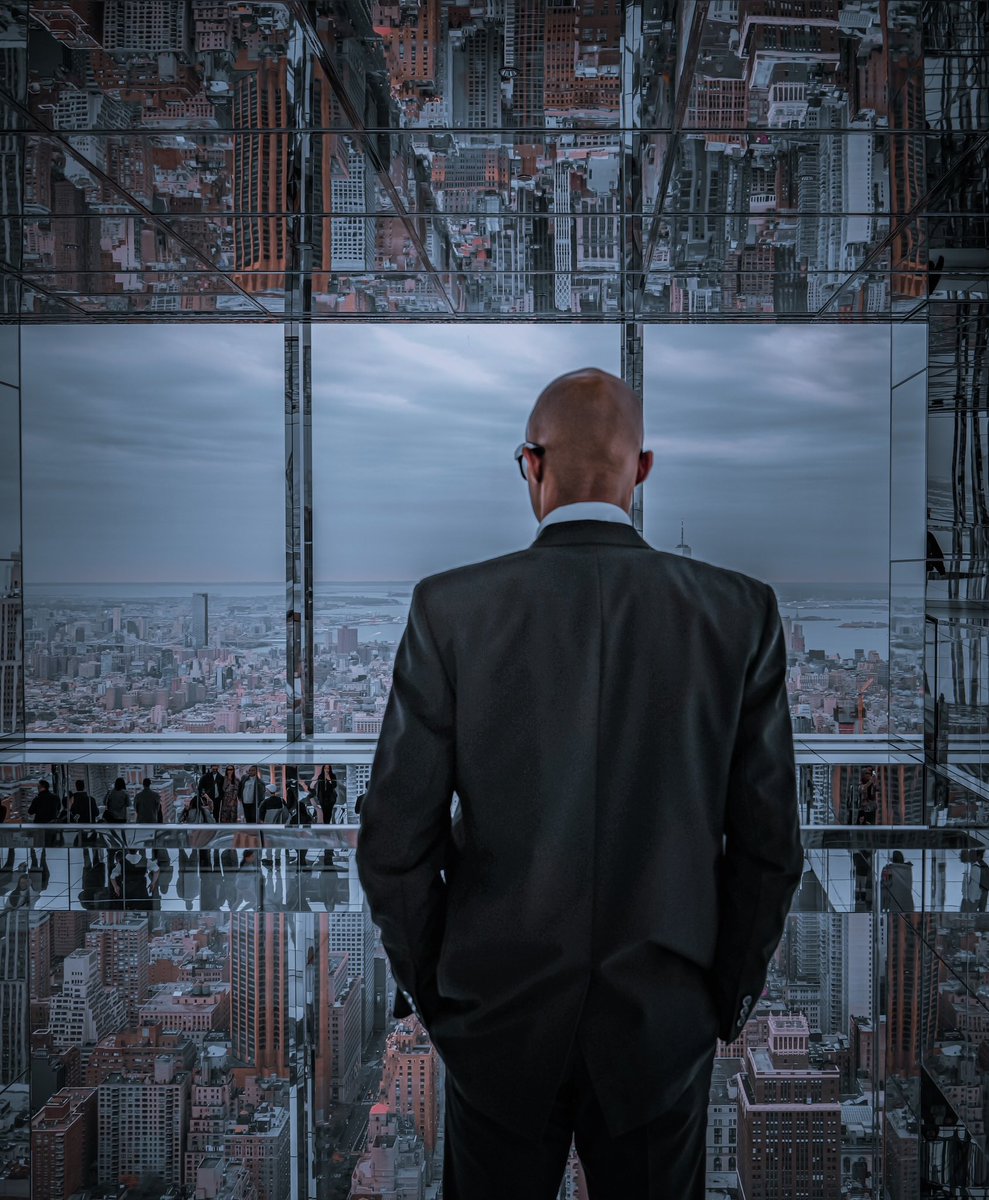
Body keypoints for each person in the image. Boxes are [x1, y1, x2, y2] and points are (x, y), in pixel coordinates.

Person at [355, 367, 804, 1200]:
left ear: (530, 465)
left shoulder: (451, 610)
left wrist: (444, 998)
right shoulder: (739, 613)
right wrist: (716, 1004)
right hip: (662, 1025)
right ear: (642, 470)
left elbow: (393, 844)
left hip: (496, 1020)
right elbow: (770, 848)